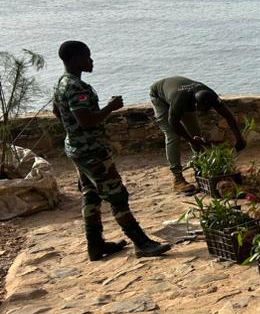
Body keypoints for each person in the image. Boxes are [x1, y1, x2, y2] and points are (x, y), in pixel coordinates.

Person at [53, 41, 171, 260]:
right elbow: (86, 120)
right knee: (117, 195)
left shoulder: (61, 83)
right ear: (75, 59)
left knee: (91, 195)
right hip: (92, 151)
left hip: (76, 148)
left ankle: (95, 244)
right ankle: (142, 243)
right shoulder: (76, 87)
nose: (91, 61)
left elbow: (56, 111)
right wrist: (110, 108)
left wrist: (73, 132)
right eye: (87, 57)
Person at [149, 76, 247, 194]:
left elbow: (228, 116)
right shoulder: (180, 99)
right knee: (173, 136)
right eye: (200, 109)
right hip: (159, 96)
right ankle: (178, 179)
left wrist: (239, 138)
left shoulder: (210, 95)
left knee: (195, 132)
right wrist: (192, 141)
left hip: (181, 96)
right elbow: (173, 123)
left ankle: (202, 169)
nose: (202, 112)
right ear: (195, 104)